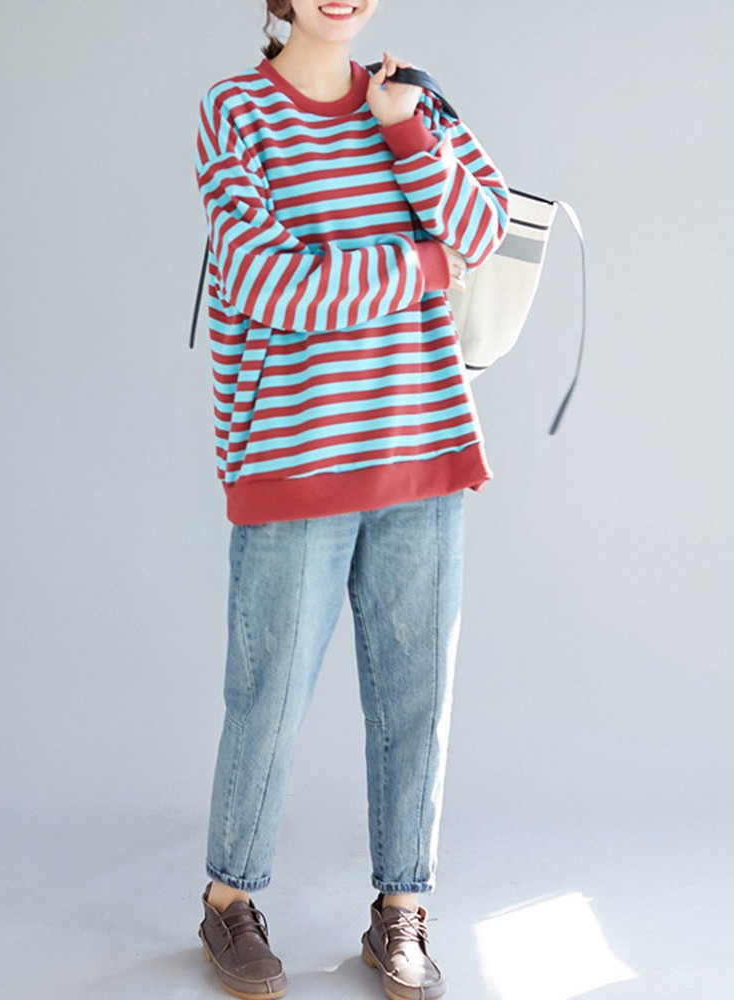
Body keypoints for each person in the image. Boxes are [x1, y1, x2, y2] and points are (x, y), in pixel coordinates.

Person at [193, 2, 509, 997]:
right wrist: (421, 265)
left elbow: (486, 230)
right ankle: (229, 902)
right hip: (296, 457)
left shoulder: (414, 98)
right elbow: (269, 285)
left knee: (417, 700)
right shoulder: (237, 110)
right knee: (269, 696)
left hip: (425, 448)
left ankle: (401, 910)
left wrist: (406, 132)